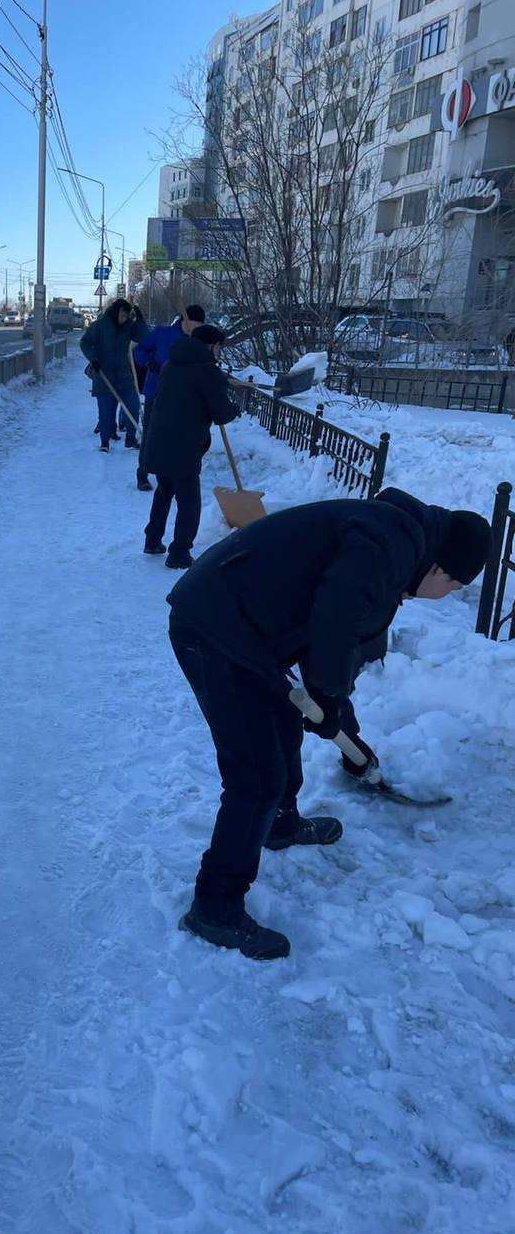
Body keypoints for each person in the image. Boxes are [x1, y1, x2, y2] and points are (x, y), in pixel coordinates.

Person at [167, 486, 492, 960]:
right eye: (456, 587)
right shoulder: (391, 544)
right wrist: (325, 695)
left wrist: (340, 717)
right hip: (216, 627)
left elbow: (337, 644)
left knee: (282, 720)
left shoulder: (395, 543)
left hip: (251, 628)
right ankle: (214, 908)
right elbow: (335, 620)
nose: (447, 598)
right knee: (255, 777)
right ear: (441, 568)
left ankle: (280, 823)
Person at [141, 322, 238, 570]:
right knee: (188, 502)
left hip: (160, 439)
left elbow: (187, 393)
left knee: (164, 490)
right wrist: (233, 405)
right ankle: (179, 553)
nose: (219, 353)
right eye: (219, 347)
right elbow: (222, 414)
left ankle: (152, 540)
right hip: (184, 446)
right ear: (211, 346)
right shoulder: (206, 371)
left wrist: (218, 383)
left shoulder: (171, 364)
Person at [134, 304, 206, 491]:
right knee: (151, 433)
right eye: (195, 324)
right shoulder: (163, 334)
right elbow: (140, 350)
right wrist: (149, 363)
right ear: (185, 320)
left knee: (175, 435)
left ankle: (168, 474)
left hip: (181, 396)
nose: (196, 329)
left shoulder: (197, 342)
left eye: (200, 326)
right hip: (155, 391)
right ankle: (143, 473)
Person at [79, 298, 148, 452]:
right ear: (116, 312)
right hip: (104, 376)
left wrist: (140, 321)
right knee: (106, 412)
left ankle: (130, 438)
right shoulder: (100, 326)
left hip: (124, 376)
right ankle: (105, 442)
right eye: (122, 315)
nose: (124, 319)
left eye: (126, 316)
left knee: (133, 406)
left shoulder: (128, 327)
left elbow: (142, 336)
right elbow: (84, 342)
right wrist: (93, 359)